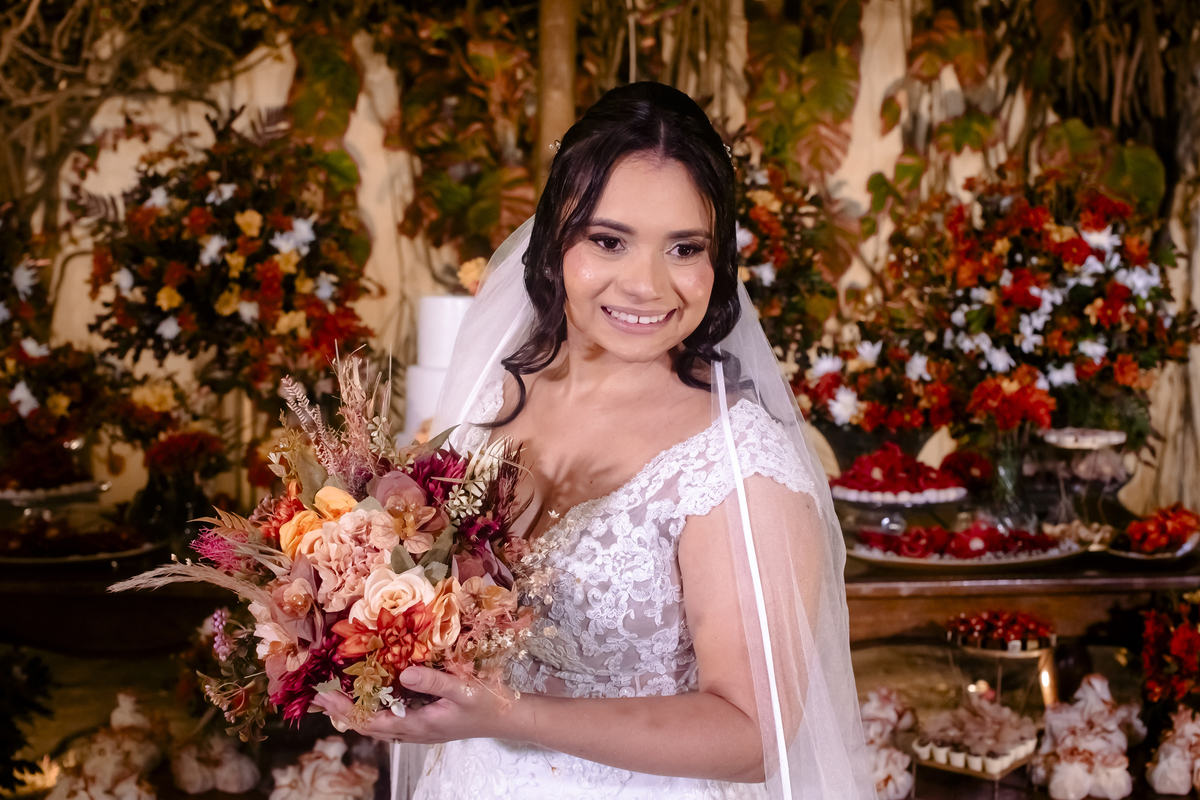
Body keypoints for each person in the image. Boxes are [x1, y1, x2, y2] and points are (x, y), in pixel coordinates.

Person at [315, 82, 875, 800]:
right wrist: (331, 627)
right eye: (608, 240)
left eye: (684, 247)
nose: (646, 284)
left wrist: (513, 714)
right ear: (555, 244)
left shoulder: (739, 466)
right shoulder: (494, 404)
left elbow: (753, 735)